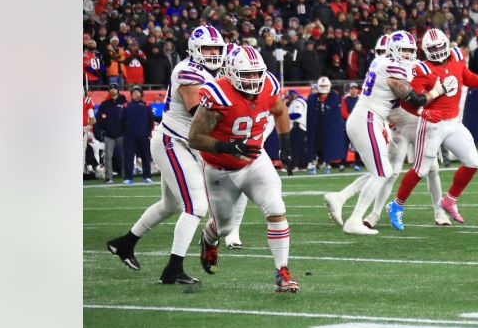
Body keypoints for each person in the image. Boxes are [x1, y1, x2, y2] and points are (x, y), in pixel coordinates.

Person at [105, 26, 247, 282]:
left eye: (217, 49)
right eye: (208, 49)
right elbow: (198, 112)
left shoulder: (214, 72)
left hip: (184, 144)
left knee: (169, 205)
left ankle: (124, 244)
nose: (214, 53)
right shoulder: (187, 71)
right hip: (173, 142)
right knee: (196, 206)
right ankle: (173, 269)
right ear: (195, 50)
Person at [187, 45, 298, 292]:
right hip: (220, 168)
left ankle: (282, 272)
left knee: (276, 207)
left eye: (257, 73)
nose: (253, 79)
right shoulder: (219, 95)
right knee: (224, 226)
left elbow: (280, 111)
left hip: (254, 159)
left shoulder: (268, 84)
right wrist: (228, 146)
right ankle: (208, 238)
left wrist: (286, 145)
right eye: (246, 74)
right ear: (231, 72)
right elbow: (194, 137)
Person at [325, 33, 445, 234]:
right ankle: (355, 220)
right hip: (368, 118)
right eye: (404, 50)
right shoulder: (393, 67)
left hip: (369, 118)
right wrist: (436, 92)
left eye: (411, 50)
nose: (409, 54)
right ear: (394, 49)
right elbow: (414, 99)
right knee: (383, 172)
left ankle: (340, 197)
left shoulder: (381, 61)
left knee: (382, 170)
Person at [387, 28, 478, 231]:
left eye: (440, 46)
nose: (438, 50)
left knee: (473, 162)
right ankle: (396, 205)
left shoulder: (457, 55)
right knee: (420, 169)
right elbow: (407, 102)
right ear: (426, 50)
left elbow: (465, 76)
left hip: (453, 122)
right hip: (432, 125)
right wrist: (424, 113)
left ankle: (449, 200)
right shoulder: (422, 69)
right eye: (433, 48)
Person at [307, 76, 344, 173]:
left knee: (328, 146)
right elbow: (310, 114)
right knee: (314, 146)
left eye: (325, 85)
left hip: (328, 127)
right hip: (316, 126)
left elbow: (336, 115)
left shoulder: (335, 97)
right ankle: (313, 164)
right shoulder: (312, 98)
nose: (323, 88)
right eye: (322, 85)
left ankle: (327, 164)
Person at [121, 85, 154, 184]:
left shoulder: (147, 105)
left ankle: (147, 176)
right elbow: (122, 120)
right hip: (129, 136)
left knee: (146, 157)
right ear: (131, 94)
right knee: (128, 157)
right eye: (134, 92)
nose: (136, 93)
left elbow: (151, 121)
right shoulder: (126, 105)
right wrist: (126, 133)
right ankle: (128, 178)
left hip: (143, 135)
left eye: (137, 92)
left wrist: (148, 133)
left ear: (141, 93)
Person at [94, 85, 126, 184]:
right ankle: (108, 177)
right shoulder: (104, 104)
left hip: (122, 133)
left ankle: (126, 176)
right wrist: (102, 131)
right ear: (109, 91)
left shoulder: (124, 102)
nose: (112, 90)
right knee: (108, 156)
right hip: (108, 134)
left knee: (124, 155)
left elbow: (128, 116)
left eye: (114, 88)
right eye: (111, 88)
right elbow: (99, 118)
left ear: (118, 90)